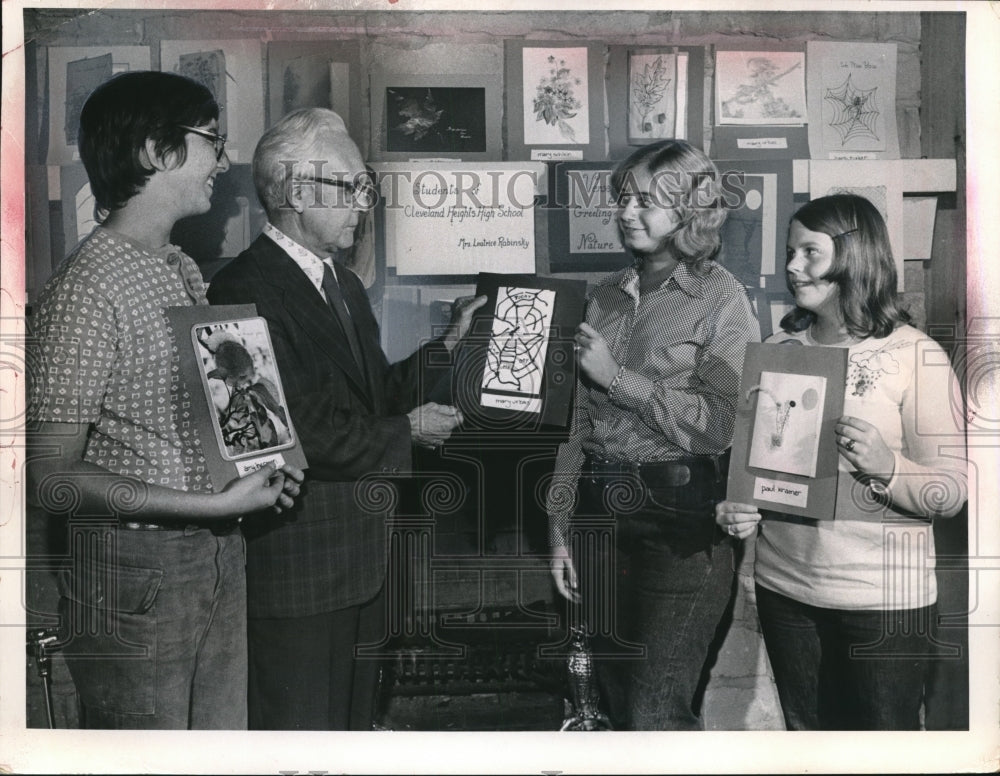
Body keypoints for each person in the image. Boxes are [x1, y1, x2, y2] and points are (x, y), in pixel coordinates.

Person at [27, 71, 303, 730]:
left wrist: (257, 467)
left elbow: (190, 423)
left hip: (213, 557)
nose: (224, 161)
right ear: (155, 149)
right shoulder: (88, 288)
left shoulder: (177, 268)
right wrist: (211, 504)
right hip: (135, 575)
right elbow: (49, 476)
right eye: (212, 140)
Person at [207, 107, 486, 731]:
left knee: (354, 735)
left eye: (368, 189)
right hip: (300, 572)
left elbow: (371, 397)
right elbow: (282, 433)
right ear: (298, 193)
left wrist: (446, 345)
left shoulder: (343, 284)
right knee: (301, 739)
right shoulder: (240, 289)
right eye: (354, 187)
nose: (366, 203)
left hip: (365, 562)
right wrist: (407, 433)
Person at [715, 194, 968, 730]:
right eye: (790, 251)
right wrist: (741, 508)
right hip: (786, 590)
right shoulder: (778, 348)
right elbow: (763, 472)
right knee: (809, 747)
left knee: (882, 754)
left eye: (810, 252)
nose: (791, 265)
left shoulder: (914, 355)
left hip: (882, 600)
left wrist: (887, 466)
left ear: (856, 257)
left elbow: (951, 492)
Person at [546, 139, 760, 730]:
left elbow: (720, 426)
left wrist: (620, 379)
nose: (626, 211)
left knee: (654, 711)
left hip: (682, 529)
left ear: (689, 210)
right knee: (612, 707)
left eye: (646, 200)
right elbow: (574, 427)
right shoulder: (601, 299)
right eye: (623, 198)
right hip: (597, 521)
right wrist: (559, 526)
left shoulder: (723, 300)